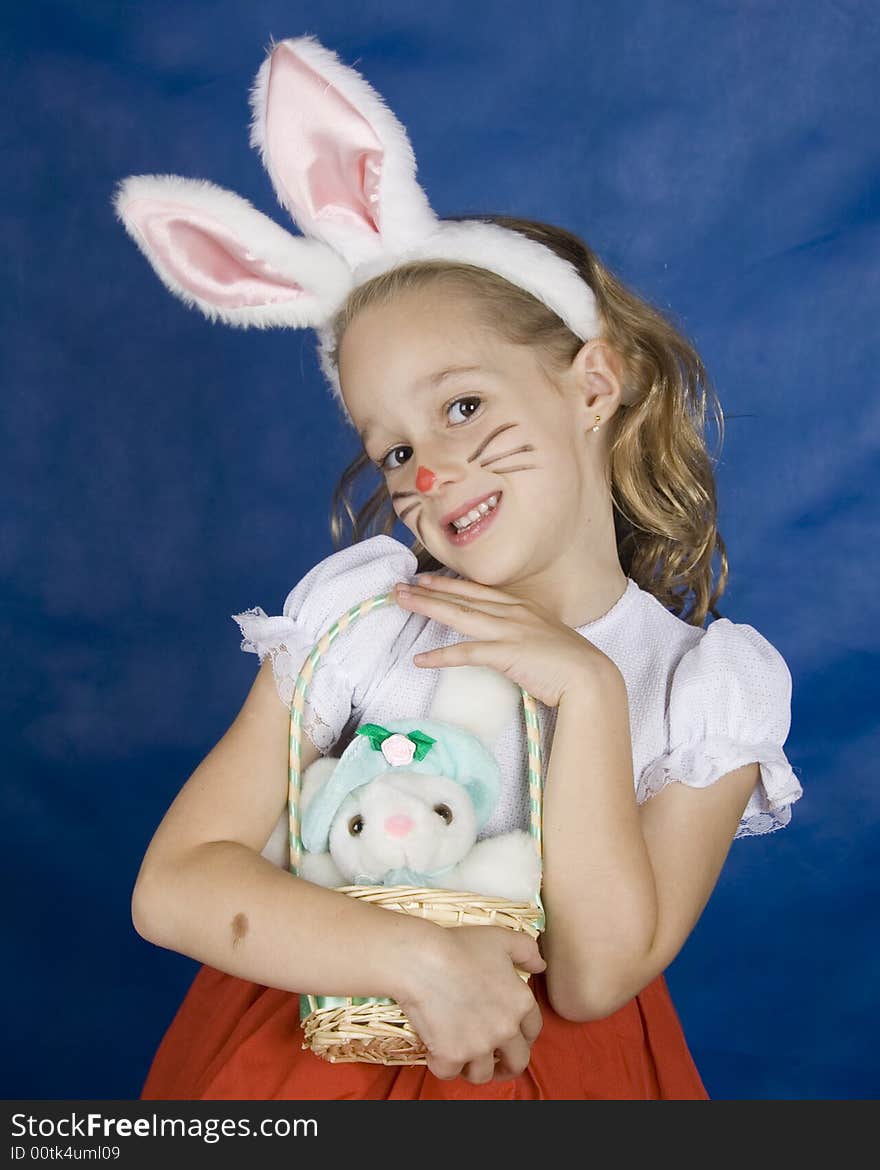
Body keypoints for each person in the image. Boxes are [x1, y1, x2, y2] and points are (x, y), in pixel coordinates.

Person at [115, 35, 803, 1100]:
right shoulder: (371, 620)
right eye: (393, 448)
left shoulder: (703, 685)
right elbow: (173, 889)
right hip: (299, 1067)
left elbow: (593, 976)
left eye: (464, 406)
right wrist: (409, 955)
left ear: (591, 386)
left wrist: (584, 686)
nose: (429, 469)